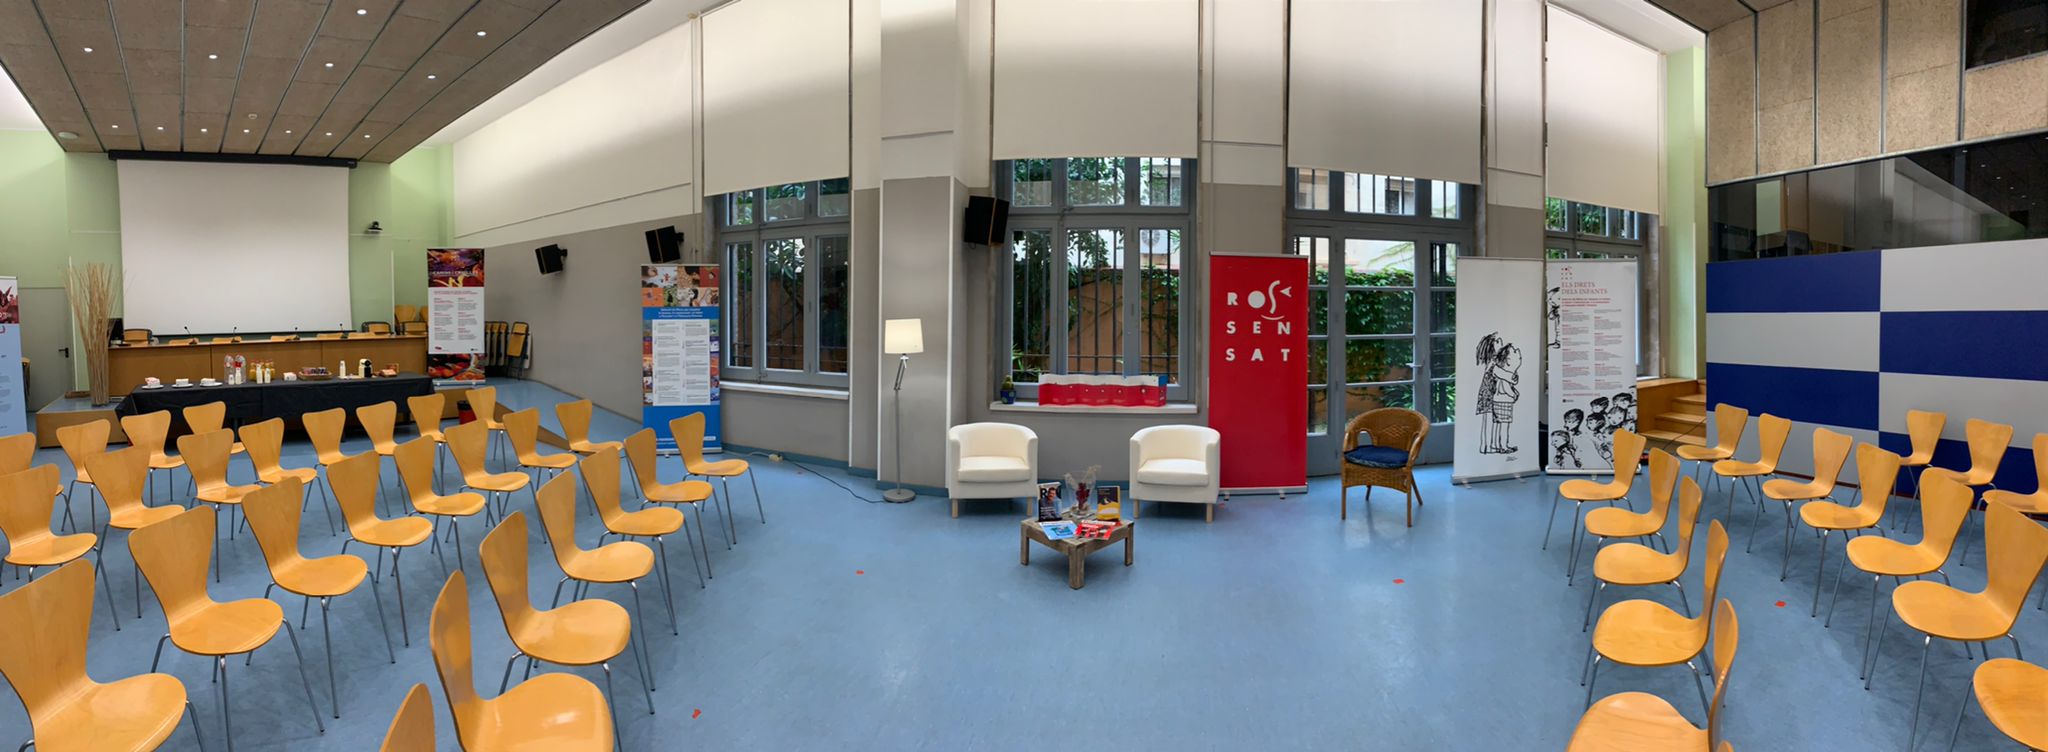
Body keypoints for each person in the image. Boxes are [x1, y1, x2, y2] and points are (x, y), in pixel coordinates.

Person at [1473, 333, 1522, 454]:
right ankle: (1487, 447)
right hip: (1488, 395)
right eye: (1497, 341)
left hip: (1489, 394)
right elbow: (1503, 375)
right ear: (1491, 346)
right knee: (1490, 421)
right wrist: (1513, 378)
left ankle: (1492, 445)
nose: (1500, 341)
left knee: (1494, 421)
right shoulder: (1493, 364)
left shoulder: (1493, 362)